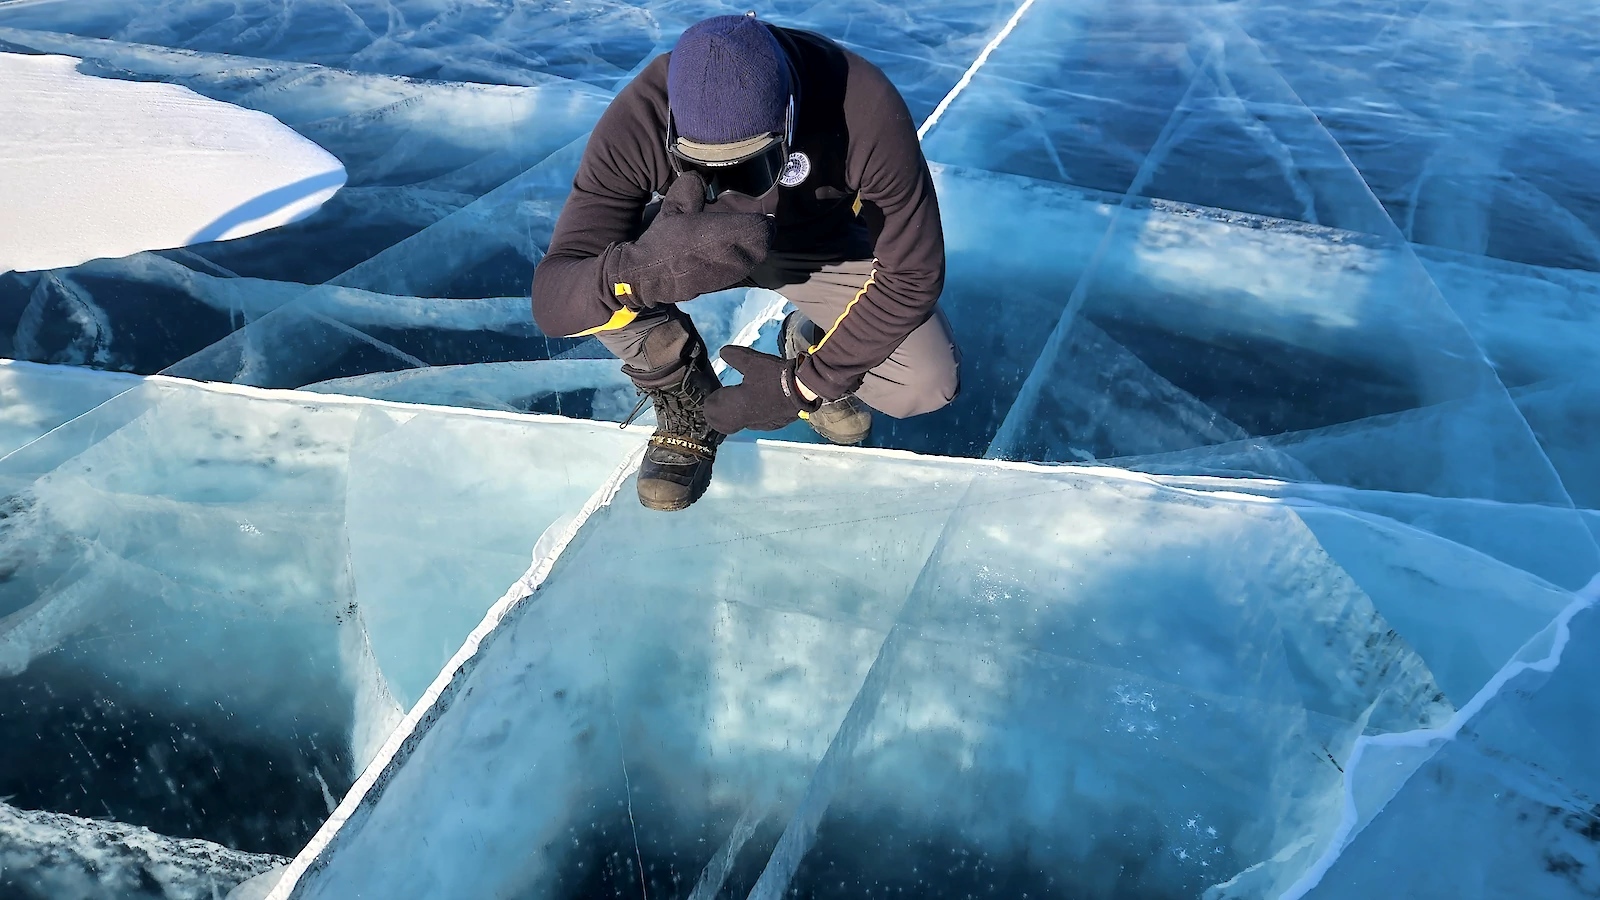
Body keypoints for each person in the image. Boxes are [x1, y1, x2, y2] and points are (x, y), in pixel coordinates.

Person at [532, 13, 960, 511]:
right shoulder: (641, 115)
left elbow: (911, 275)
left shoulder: (862, 106)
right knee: (592, 291)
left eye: (756, 166)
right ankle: (682, 390)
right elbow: (553, 296)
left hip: (815, 247)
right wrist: (634, 272)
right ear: (673, 130)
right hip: (682, 245)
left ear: (790, 118)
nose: (730, 190)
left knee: (926, 384)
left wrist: (804, 385)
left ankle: (814, 337)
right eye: (699, 169)